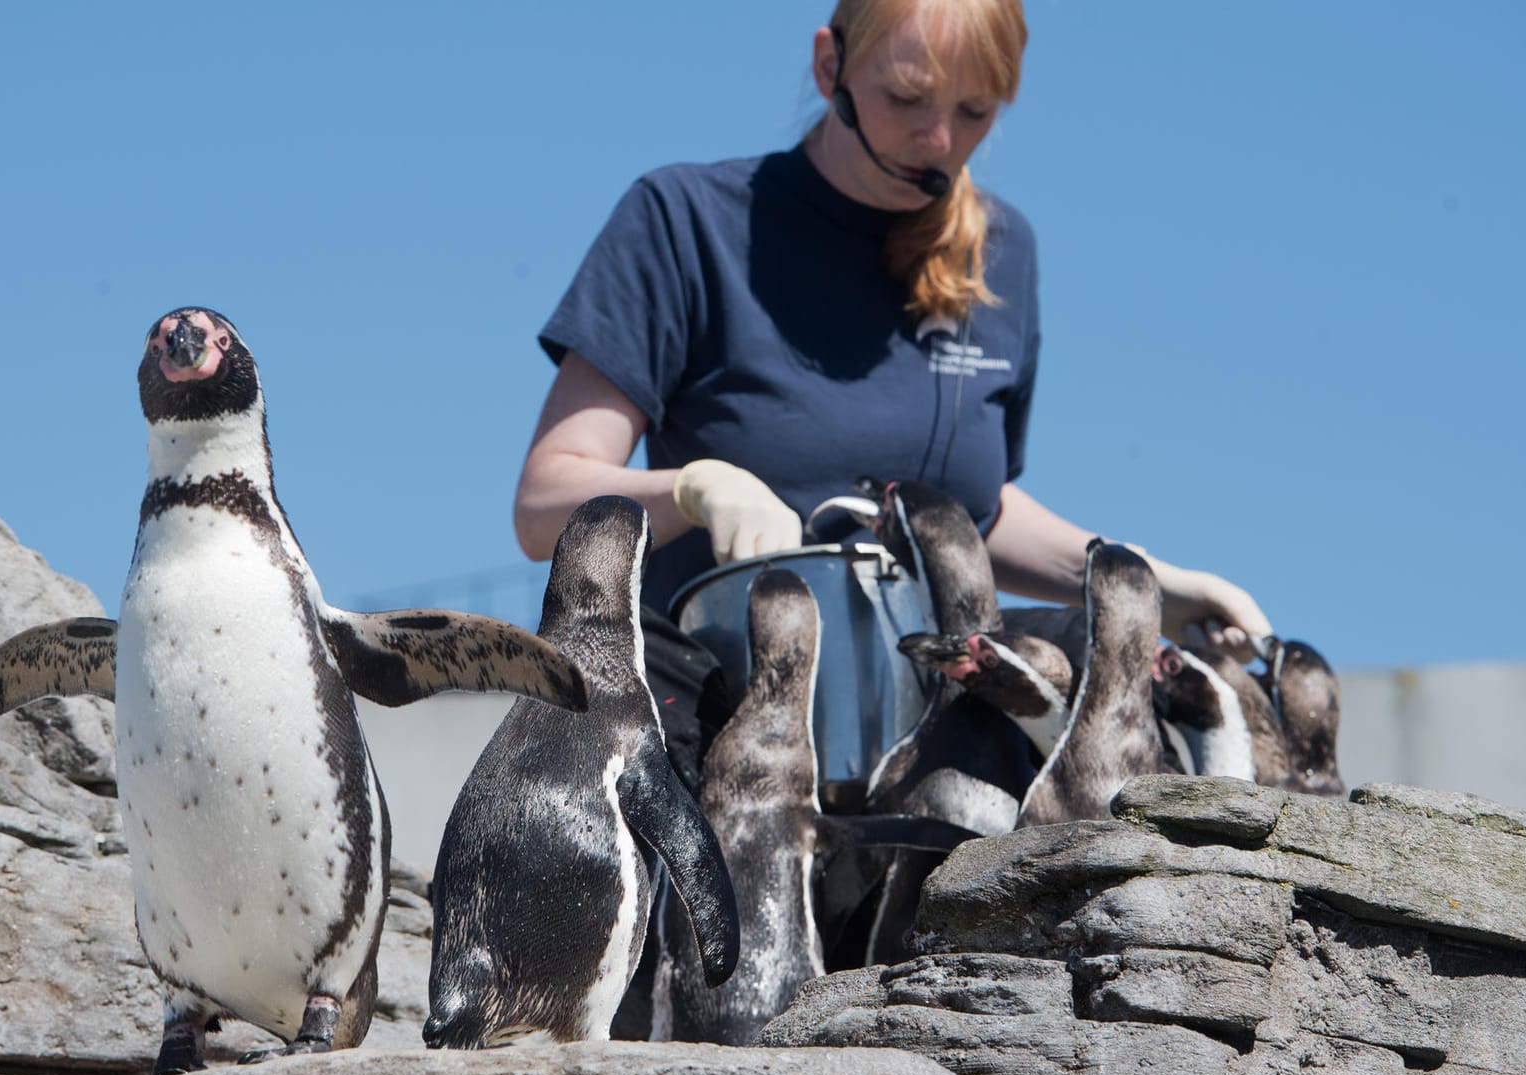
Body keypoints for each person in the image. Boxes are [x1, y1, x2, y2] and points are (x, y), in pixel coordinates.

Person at [513, 0, 1271, 793]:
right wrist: (694, 490)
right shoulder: (683, 221)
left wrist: (1137, 584)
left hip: (936, 694)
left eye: (975, 110)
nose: (940, 139)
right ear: (828, 66)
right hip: (714, 697)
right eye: (907, 97)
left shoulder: (1003, 254)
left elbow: (974, 512)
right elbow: (543, 505)